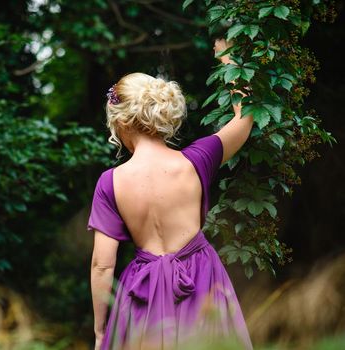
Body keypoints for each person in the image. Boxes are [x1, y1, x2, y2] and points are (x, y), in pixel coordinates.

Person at [87, 38, 254, 350]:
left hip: (142, 291)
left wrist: (101, 332)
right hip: (202, 281)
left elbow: (102, 265)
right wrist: (230, 60)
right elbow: (244, 118)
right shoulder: (197, 159)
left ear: (120, 122)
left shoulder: (110, 182)